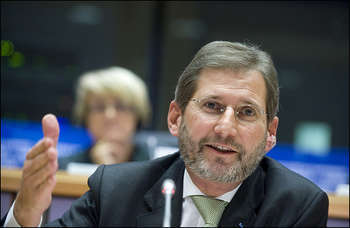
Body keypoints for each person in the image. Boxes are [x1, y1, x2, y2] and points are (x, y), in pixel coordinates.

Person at [2, 41, 329, 227]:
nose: (226, 127)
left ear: (270, 133)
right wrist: (26, 214)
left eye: (246, 112)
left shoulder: (296, 206)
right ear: (175, 117)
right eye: (212, 106)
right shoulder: (116, 191)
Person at [58, 66, 151, 169]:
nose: (109, 115)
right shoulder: (63, 169)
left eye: (121, 107)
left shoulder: (159, 167)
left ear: (137, 115)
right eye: (99, 107)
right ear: (85, 116)